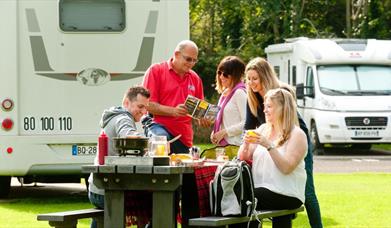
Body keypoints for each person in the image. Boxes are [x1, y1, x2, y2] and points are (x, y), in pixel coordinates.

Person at [244, 57, 323, 227]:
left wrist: (273, 142)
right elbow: (249, 127)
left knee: (307, 191)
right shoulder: (252, 98)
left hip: (293, 142)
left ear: (265, 76)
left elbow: (294, 124)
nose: (251, 83)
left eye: (255, 78)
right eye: (248, 79)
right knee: (272, 182)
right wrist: (249, 141)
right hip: (271, 138)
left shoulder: (280, 94)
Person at [239, 88, 307, 227]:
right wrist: (245, 144)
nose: (264, 110)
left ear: (283, 108)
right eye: (264, 106)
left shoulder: (297, 135)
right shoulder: (263, 129)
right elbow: (243, 158)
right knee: (242, 198)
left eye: (269, 106)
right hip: (262, 189)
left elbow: (286, 168)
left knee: (244, 199)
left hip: (287, 191)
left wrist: (268, 145)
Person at [88, 86, 150, 228]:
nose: (144, 112)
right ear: (126, 102)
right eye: (140, 106)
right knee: (156, 202)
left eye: (146, 108)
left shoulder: (114, 116)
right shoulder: (123, 118)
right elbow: (128, 134)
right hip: (107, 190)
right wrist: (153, 142)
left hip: (97, 188)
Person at [142, 40, 206, 154]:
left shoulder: (195, 78)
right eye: (188, 59)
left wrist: (204, 118)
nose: (191, 63)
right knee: (160, 142)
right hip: (158, 127)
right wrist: (173, 111)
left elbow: (200, 112)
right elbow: (147, 105)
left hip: (183, 138)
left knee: (184, 171)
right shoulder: (156, 70)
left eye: (194, 60)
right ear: (176, 54)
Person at [211, 56, 247, 146]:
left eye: (226, 74)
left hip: (235, 146)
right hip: (224, 146)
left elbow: (246, 123)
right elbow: (223, 120)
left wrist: (224, 132)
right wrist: (215, 132)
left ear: (236, 75)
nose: (221, 76)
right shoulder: (225, 93)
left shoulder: (240, 93)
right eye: (219, 72)